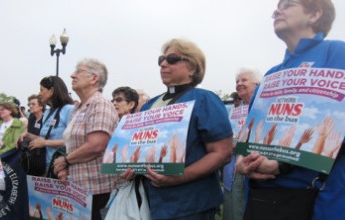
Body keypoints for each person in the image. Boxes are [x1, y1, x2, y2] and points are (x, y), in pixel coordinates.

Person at [236, 0, 345, 219]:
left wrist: (281, 165)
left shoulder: (338, 54)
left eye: (288, 4)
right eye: (277, 5)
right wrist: (242, 162)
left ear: (314, 14)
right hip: (262, 200)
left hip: (319, 200)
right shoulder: (269, 77)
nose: (277, 9)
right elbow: (248, 140)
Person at [121, 39, 233, 220]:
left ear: (192, 68)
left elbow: (223, 152)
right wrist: (131, 167)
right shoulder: (149, 104)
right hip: (149, 203)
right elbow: (141, 149)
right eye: (161, 60)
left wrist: (177, 178)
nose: (163, 64)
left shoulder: (204, 100)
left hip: (190, 205)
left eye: (172, 59)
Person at [53, 58, 126, 220]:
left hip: (97, 191)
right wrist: (65, 169)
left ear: (94, 78)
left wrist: (66, 161)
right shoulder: (78, 107)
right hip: (78, 189)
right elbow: (73, 144)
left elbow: (96, 145)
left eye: (79, 71)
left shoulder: (100, 104)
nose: (72, 75)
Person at [223, 67, 261, 220]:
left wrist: (238, 145)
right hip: (229, 171)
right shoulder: (233, 111)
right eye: (237, 81)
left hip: (250, 171)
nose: (239, 84)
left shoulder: (264, 108)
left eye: (244, 80)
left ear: (257, 84)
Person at [22, 76, 74, 173]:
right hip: (45, 165)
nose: (39, 94)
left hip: (62, 167)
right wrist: (27, 135)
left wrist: (45, 143)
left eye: (42, 90)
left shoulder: (69, 110)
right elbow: (44, 138)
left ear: (52, 90)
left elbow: (74, 141)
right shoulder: (47, 113)